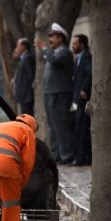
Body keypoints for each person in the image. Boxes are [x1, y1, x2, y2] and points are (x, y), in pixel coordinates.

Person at [35, 23, 74, 164]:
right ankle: (57, 154)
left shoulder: (64, 53)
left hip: (60, 94)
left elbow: (55, 61)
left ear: (61, 39)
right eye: (50, 36)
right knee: (52, 126)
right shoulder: (53, 53)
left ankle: (67, 155)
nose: (50, 39)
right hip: (50, 93)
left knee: (61, 125)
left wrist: (45, 49)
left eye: (54, 37)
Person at [71, 34, 92, 166]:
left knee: (82, 128)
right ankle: (81, 156)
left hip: (83, 97)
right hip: (78, 98)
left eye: (75, 43)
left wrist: (84, 89)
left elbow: (90, 72)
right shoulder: (78, 58)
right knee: (79, 127)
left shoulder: (87, 57)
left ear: (82, 44)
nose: (73, 46)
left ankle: (83, 157)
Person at [12, 38, 36, 115]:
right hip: (23, 96)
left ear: (23, 46)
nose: (16, 49)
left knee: (27, 117)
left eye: (18, 46)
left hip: (27, 96)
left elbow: (30, 76)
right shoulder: (23, 58)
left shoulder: (28, 57)